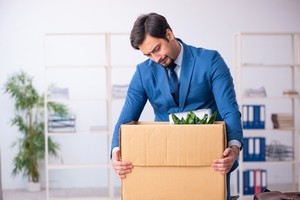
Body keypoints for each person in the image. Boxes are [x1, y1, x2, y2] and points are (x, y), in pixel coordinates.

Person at [111, 12, 243, 200]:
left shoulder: (210, 61)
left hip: (209, 159)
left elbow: (229, 110)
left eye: (156, 49)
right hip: (164, 159)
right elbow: (126, 118)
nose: (155, 58)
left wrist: (234, 148)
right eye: (148, 54)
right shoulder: (143, 72)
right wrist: (116, 151)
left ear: (169, 34)